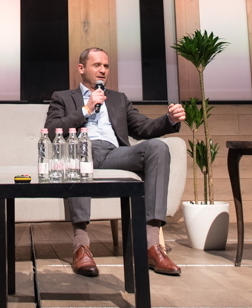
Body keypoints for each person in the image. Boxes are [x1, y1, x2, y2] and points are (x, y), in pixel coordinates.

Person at [44, 48, 186, 277]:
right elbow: (52, 131)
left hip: (114, 154)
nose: (102, 70)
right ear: (81, 68)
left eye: (106, 66)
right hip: (81, 152)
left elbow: (143, 128)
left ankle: (151, 246)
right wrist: (86, 109)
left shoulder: (119, 99)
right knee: (78, 150)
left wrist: (169, 119)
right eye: (96, 65)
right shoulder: (63, 97)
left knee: (158, 147)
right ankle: (81, 247)